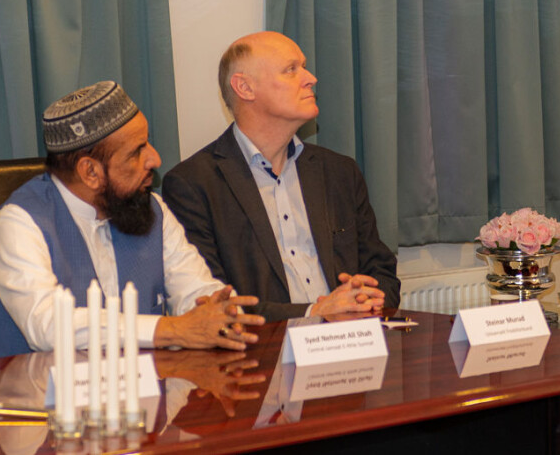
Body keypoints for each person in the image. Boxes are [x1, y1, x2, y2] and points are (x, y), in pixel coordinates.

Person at [0, 82, 265, 361]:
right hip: (22, 406)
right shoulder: (18, 225)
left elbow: (194, 288)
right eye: (137, 151)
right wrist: (172, 329)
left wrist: (218, 313)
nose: (155, 159)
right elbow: (48, 326)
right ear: (90, 172)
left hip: (132, 399)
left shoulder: (152, 210)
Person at [163, 31, 400, 323]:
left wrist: (365, 298)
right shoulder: (194, 184)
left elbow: (383, 273)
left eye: (304, 66)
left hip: (351, 343)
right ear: (245, 88)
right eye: (291, 70)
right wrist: (315, 313)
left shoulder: (339, 172)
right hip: (262, 356)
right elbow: (214, 305)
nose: (311, 78)